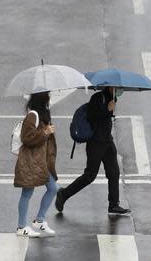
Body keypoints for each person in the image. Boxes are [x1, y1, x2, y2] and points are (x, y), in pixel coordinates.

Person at [55, 86, 131, 216]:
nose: (120, 90)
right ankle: (64, 194)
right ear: (111, 87)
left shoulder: (113, 98)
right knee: (89, 175)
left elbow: (105, 120)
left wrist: (110, 109)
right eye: (118, 87)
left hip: (107, 141)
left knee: (114, 173)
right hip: (95, 143)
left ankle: (113, 204)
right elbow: (92, 116)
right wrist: (107, 109)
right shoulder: (97, 98)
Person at [14, 91, 58, 237]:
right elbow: (27, 138)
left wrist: (48, 132)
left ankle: (40, 220)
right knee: (27, 193)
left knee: (53, 188)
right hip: (31, 161)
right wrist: (45, 132)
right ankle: (21, 227)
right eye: (48, 95)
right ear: (42, 98)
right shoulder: (33, 115)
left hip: (42, 161)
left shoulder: (44, 114)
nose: (50, 98)